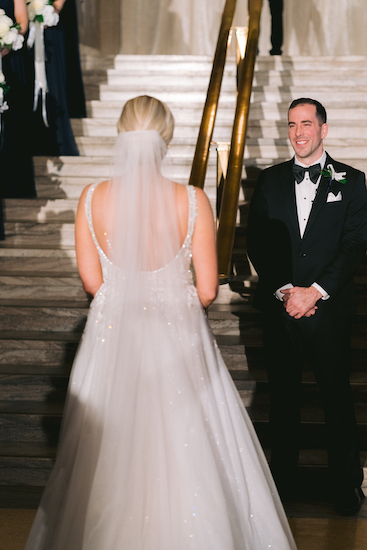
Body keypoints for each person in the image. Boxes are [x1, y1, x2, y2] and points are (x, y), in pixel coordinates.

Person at [24, 95, 297, 550]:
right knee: (189, 453)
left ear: (121, 136)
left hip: (112, 341)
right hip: (178, 341)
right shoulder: (191, 200)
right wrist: (170, 296)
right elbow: (208, 290)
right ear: (165, 140)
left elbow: (93, 283)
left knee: (107, 457)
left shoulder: (91, 198)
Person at [247, 97, 367, 516]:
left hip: (329, 311)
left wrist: (314, 291)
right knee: (282, 400)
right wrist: (284, 290)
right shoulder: (270, 180)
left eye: (307, 124)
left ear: (324, 129)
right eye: (292, 124)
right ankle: (281, 487)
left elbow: (355, 244)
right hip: (281, 310)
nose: (299, 132)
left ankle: (347, 487)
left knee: (336, 399)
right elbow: (257, 242)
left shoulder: (352, 181)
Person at [30, 0, 80, 156]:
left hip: (49, 23)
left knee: (51, 80)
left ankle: (54, 138)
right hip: (26, 23)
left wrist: (52, 10)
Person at [0, 0, 36, 201]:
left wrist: (6, 41)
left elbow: (22, 23)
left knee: (11, 120)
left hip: (10, 60)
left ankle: (13, 181)